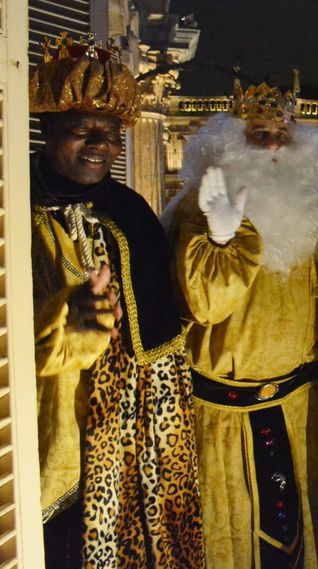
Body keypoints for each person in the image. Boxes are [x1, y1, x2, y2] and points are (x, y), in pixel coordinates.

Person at [30, 34, 203, 566]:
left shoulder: (128, 206)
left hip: (143, 414)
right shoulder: (19, 206)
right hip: (61, 415)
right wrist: (63, 314)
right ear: (49, 130)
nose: (100, 146)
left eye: (111, 136)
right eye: (83, 131)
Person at [163, 82, 318, 568]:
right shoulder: (194, 210)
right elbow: (204, 305)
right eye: (259, 132)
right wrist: (221, 240)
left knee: (297, 543)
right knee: (229, 542)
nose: (272, 144)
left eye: (282, 133)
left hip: (298, 409)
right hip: (222, 418)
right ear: (227, 144)